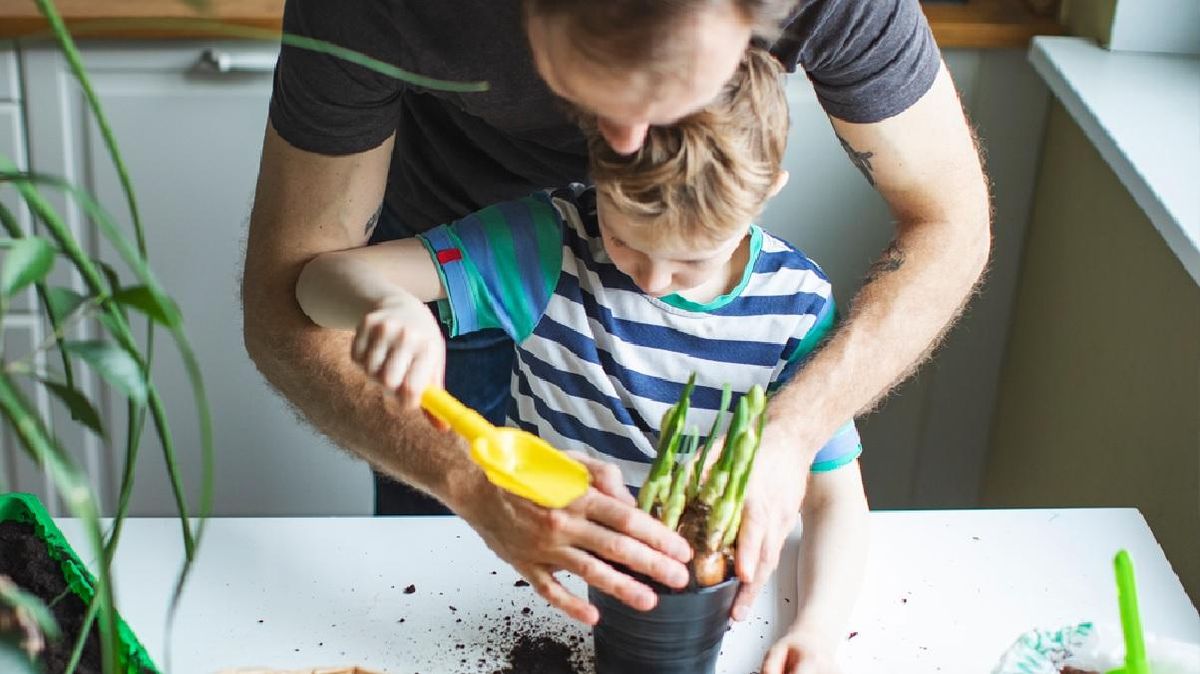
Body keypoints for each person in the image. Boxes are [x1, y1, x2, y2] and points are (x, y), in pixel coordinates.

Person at [243, 0, 988, 625]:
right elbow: (292, 297)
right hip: (457, 264)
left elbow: (950, 224)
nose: (621, 145)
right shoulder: (400, 21)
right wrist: (461, 475)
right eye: (599, 102)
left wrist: (792, 432)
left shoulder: (785, 310)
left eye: (669, 94)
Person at [296, 47, 870, 672]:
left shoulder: (797, 307)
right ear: (598, 165)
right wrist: (389, 302)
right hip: (533, 584)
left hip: (719, 620)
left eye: (691, 261)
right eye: (626, 239)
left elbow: (834, 500)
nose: (651, 281)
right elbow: (319, 282)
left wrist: (817, 629)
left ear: (767, 192)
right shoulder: (548, 244)